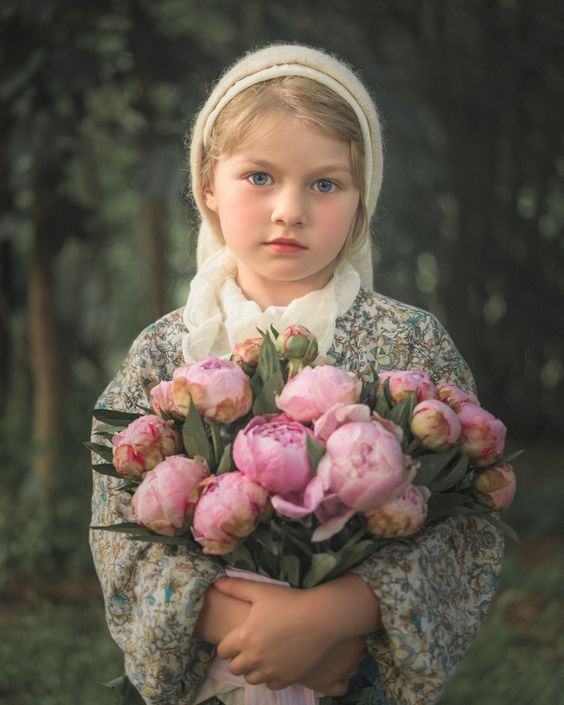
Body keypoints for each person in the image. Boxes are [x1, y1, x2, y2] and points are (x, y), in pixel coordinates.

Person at [90, 44, 504, 705]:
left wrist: (335, 617)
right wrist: (247, 627)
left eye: (324, 183)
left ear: (361, 200)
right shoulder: (163, 352)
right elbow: (117, 527)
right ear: (208, 189)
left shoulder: (412, 346)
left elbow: (467, 528)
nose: (290, 209)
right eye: (259, 177)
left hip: (354, 680)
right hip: (216, 677)